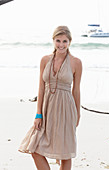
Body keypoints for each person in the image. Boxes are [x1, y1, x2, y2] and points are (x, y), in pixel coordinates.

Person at [18, 25, 82, 170]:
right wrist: (38, 113)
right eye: (58, 40)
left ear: (70, 42)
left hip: (66, 109)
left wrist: (78, 114)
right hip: (46, 108)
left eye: (65, 41)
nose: (61, 45)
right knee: (34, 148)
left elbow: (76, 91)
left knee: (65, 153)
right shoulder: (45, 60)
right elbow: (41, 88)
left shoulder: (76, 62)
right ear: (53, 41)